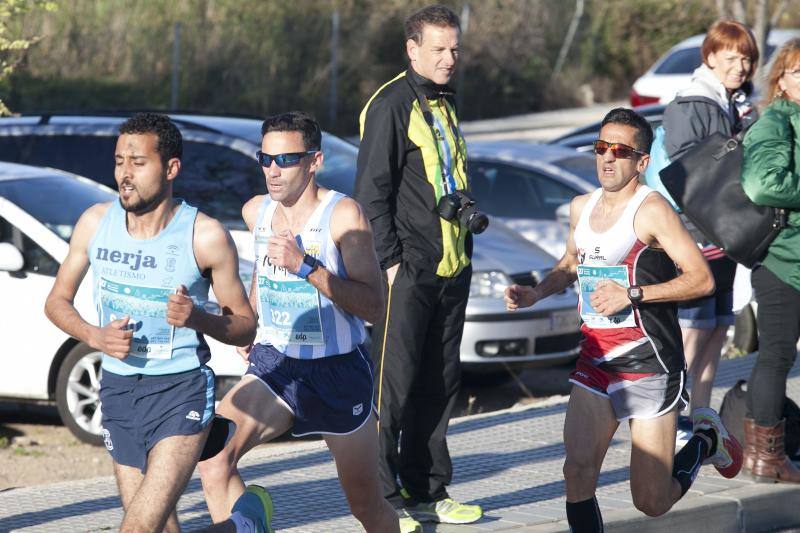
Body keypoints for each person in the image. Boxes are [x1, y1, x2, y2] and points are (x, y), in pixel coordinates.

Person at [505, 108, 742, 531]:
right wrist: (536, 292)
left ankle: (705, 441)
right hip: (596, 359)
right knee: (576, 474)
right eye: (601, 147)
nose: (607, 158)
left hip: (649, 363)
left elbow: (701, 279)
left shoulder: (651, 212)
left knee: (651, 501)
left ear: (642, 162)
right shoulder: (582, 207)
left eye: (620, 150)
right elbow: (569, 263)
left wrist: (631, 293)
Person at [44, 112, 258, 533]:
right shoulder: (94, 224)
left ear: (171, 168)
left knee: (138, 526)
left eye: (138, 163)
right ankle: (244, 527)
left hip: (181, 393)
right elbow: (56, 301)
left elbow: (245, 326)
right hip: (120, 392)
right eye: (120, 161)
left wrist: (198, 317)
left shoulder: (204, 235)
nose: (125, 174)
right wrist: (95, 336)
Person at [196, 111, 399, 533]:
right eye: (265, 159)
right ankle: (250, 525)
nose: (273, 170)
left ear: (314, 161)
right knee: (214, 458)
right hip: (277, 364)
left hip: (338, 372)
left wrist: (305, 266)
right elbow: (260, 268)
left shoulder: (344, 217)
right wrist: (250, 316)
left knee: (366, 505)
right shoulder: (257, 212)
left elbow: (373, 306)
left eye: (286, 160)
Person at [352, 4, 483, 531]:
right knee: (393, 388)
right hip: (406, 272)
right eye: (439, 49)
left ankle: (427, 489)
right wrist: (387, 264)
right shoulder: (389, 105)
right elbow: (371, 194)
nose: (450, 58)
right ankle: (383, 500)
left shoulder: (446, 101)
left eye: (454, 48)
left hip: (453, 266)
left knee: (439, 383)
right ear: (412, 49)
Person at [661, 20, 760, 444]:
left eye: (747, 59)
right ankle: (668, 420)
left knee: (718, 329)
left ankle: (700, 416)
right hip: (697, 233)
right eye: (732, 57)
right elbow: (686, 173)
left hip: (724, 234)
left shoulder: (730, 102)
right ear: (710, 57)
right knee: (694, 331)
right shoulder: (691, 104)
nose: (741, 66)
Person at [740, 37, 800, 483]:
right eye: (797, 72)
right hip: (782, 261)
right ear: (780, 81)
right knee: (775, 357)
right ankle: (765, 457)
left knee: (778, 357)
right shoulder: (774, 123)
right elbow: (763, 186)